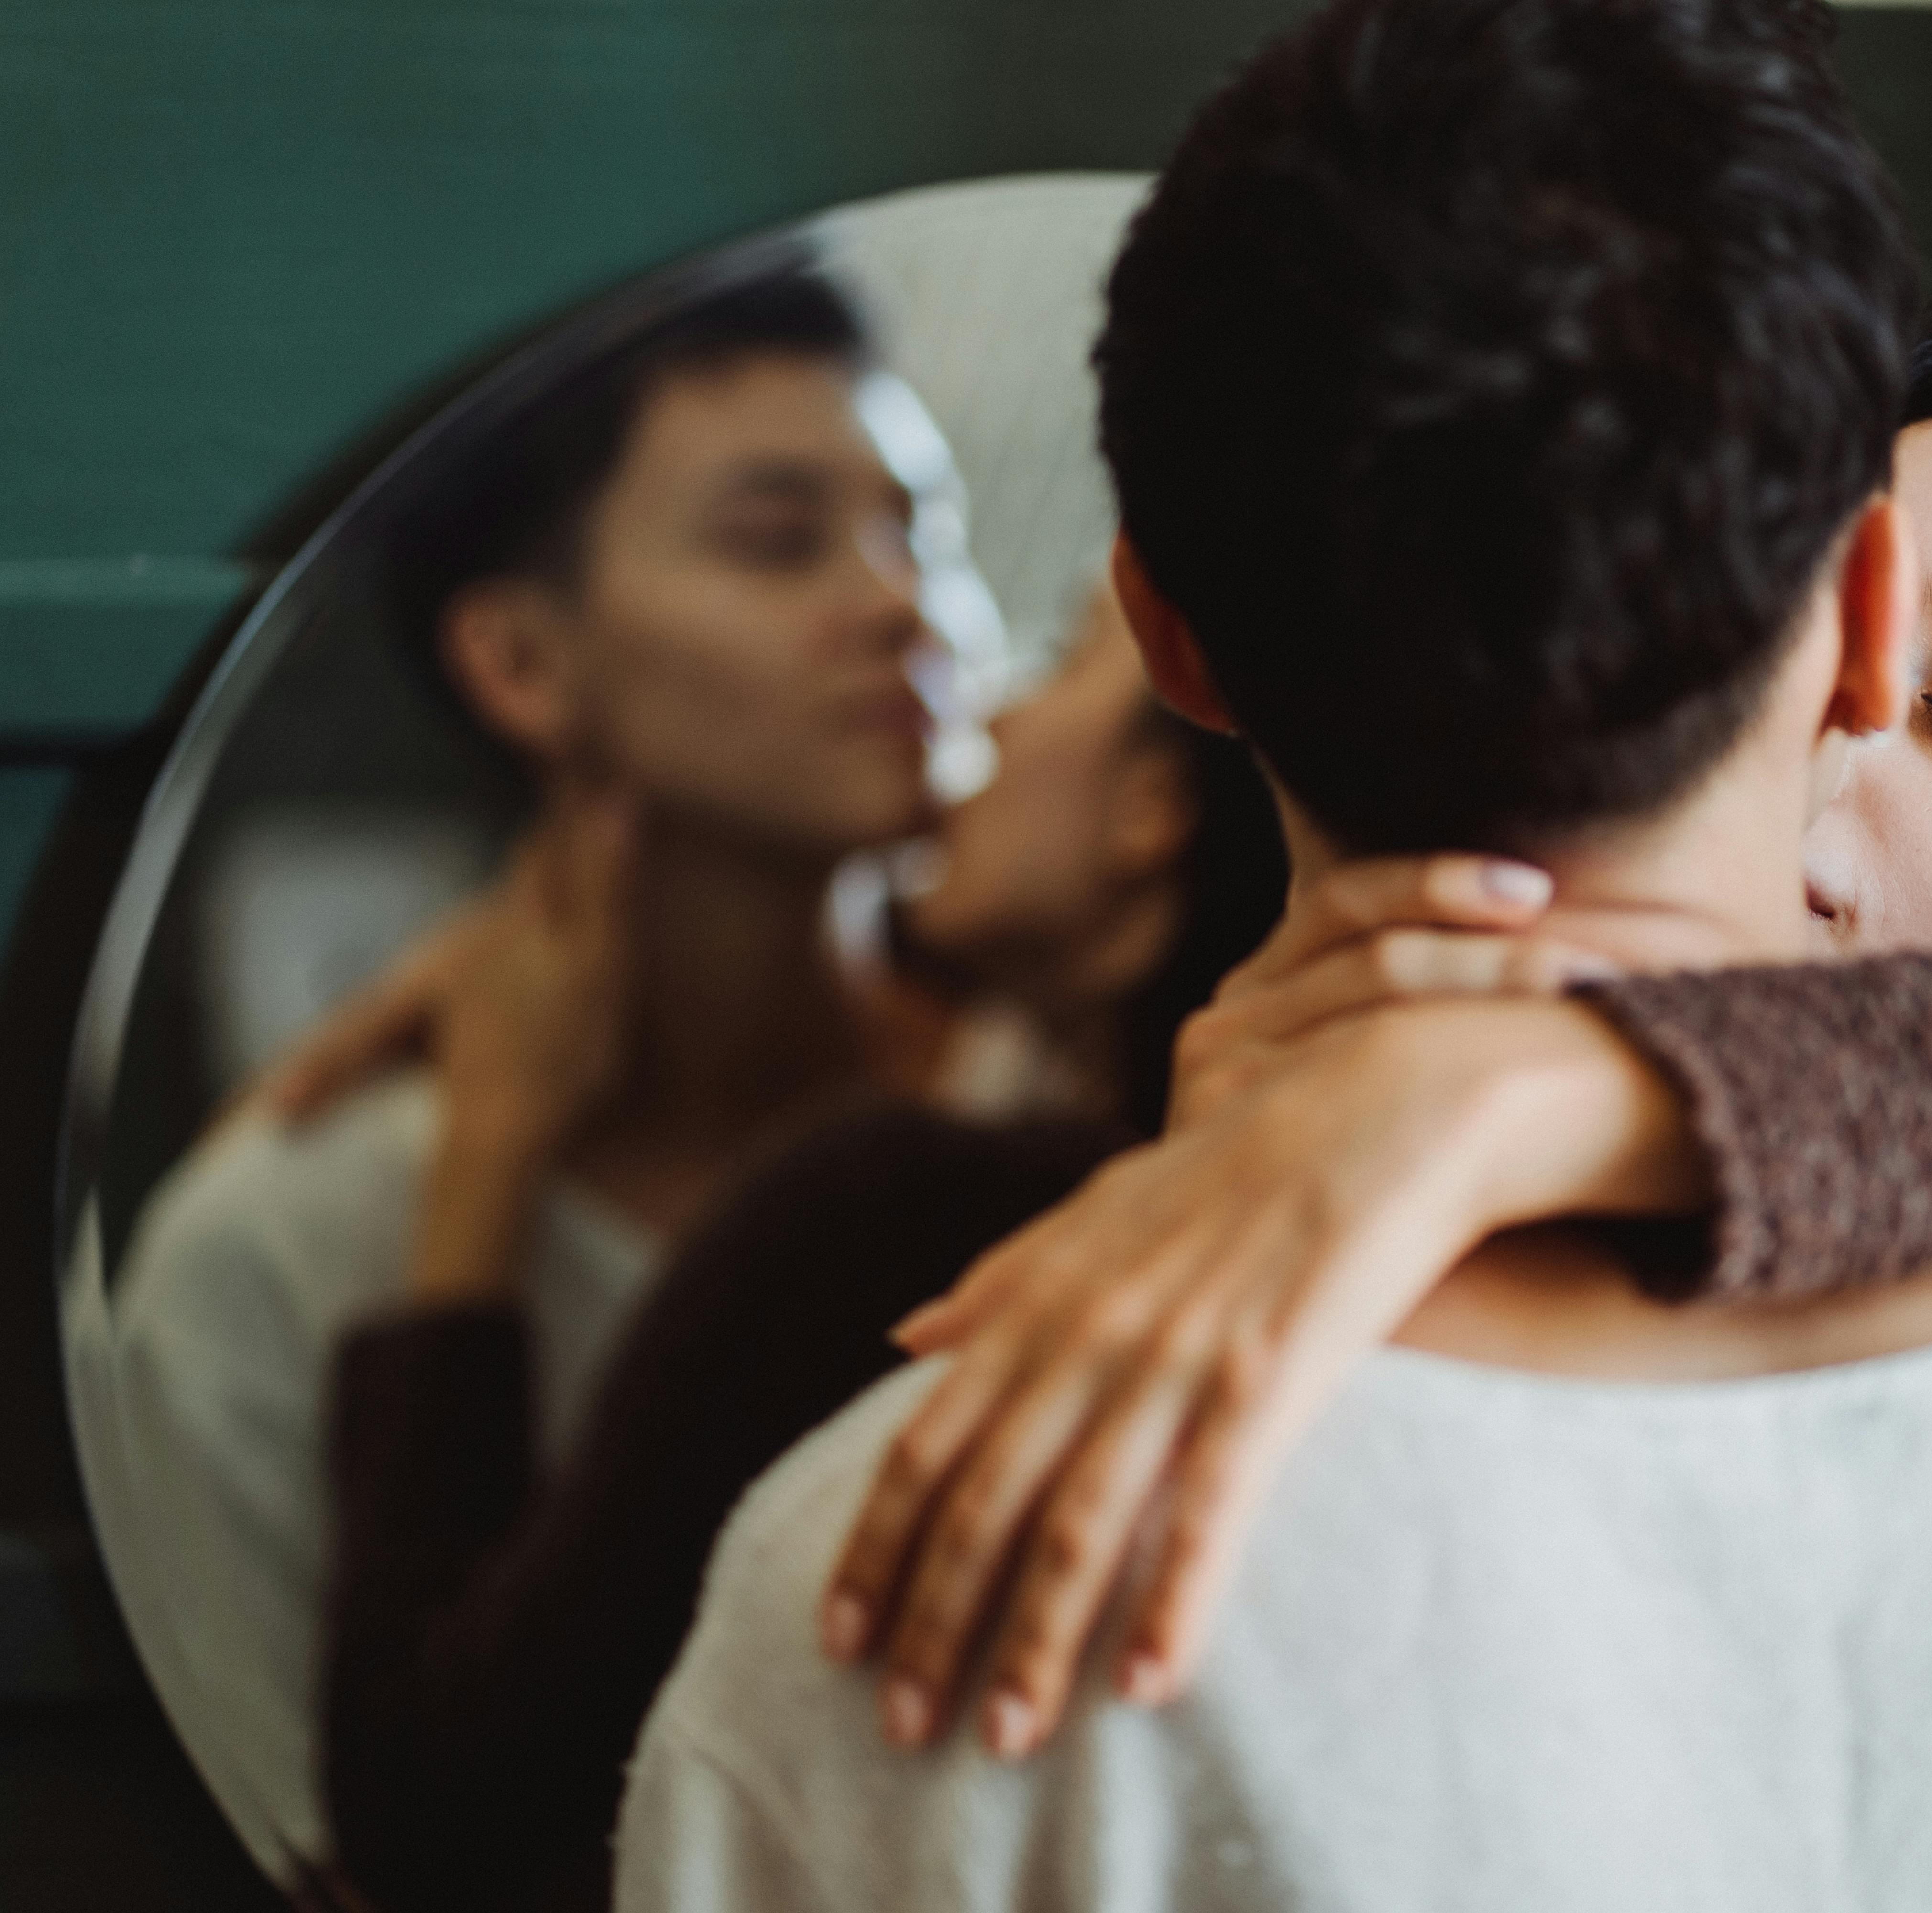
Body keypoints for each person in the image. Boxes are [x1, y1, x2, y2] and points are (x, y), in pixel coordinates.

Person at [620, 3, 1932, 1907]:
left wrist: (1568, 1088)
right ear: (1842, 607)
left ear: (1170, 635)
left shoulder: (896, 1567)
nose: (1815, 766)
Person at [107, 265, 956, 1881]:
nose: (902, 604)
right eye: (780, 540)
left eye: (926, 528)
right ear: (521, 663)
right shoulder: (278, 1248)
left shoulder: (1076, 1114)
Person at [311, 583, 1292, 1913]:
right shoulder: (1266, 1203)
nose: (992, 713)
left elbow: (425, 1806)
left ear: (1151, 811)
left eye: (1061, 668)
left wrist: (484, 1158)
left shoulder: (901, 1212)